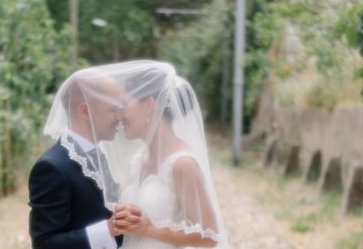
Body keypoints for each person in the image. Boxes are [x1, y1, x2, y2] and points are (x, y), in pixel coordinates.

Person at [110, 61, 228, 248]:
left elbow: (210, 235)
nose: (119, 115)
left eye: (125, 104)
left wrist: (149, 229)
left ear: (149, 104)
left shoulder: (182, 164)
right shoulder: (139, 161)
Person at [28, 68, 125, 249]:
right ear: (85, 112)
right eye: (113, 109)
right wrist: (108, 229)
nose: (120, 117)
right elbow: (44, 244)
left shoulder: (100, 155)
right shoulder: (51, 168)